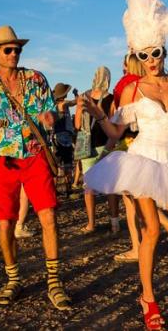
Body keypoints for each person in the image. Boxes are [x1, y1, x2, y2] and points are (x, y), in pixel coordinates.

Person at [84, 0, 168, 328]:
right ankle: (148, 298)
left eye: (156, 52)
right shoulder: (132, 89)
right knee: (152, 231)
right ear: (137, 55)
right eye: (144, 54)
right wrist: (100, 114)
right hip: (143, 161)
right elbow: (115, 133)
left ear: (163, 51)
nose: (151, 59)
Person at [0, 25, 71, 310]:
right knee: (5, 223)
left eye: (17, 49)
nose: (14, 53)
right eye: (8, 49)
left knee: (48, 216)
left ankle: (54, 281)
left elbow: (50, 110)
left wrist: (50, 117)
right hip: (2, 160)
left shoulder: (36, 78)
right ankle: (12, 279)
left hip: (36, 155)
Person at [106, 55, 168, 263]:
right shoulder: (146, 86)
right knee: (144, 200)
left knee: (133, 201)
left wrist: (108, 148)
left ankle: (137, 246)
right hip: (148, 145)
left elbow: (117, 123)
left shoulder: (127, 87)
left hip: (133, 146)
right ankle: (166, 231)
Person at [74, 67, 121, 234]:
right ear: (108, 79)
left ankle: (91, 224)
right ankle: (114, 223)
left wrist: (80, 110)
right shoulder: (112, 99)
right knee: (111, 186)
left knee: (89, 187)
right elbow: (114, 123)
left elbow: (77, 125)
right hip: (106, 144)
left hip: (87, 146)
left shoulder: (83, 98)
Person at [51, 82, 75, 195]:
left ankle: (54, 189)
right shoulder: (63, 104)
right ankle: (67, 188)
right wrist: (77, 96)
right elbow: (73, 103)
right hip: (64, 137)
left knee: (56, 164)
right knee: (67, 164)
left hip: (56, 137)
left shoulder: (52, 106)